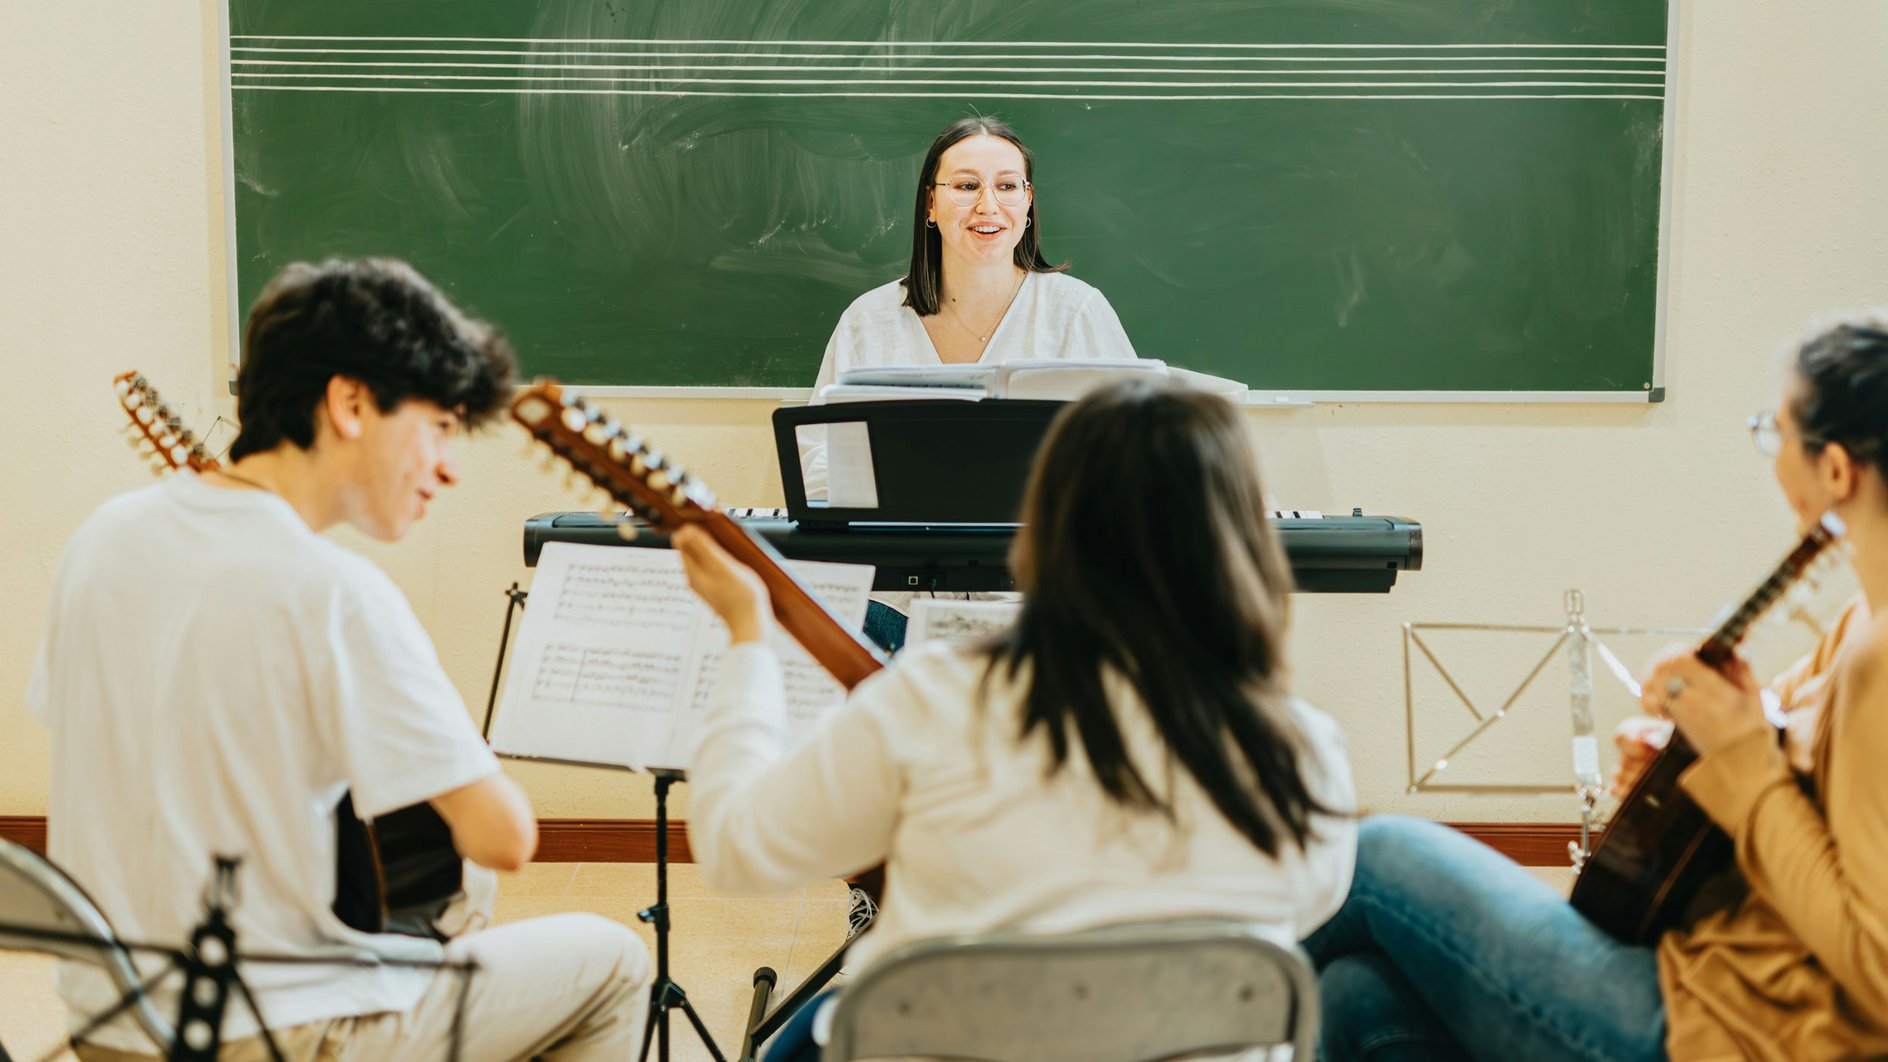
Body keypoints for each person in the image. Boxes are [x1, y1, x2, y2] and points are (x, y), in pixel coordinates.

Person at [29, 258, 650, 1059]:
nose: (450, 467)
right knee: (612, 963)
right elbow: (505, 835)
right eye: (440, 427)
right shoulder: (334, 590)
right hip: (276, 1035)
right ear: (351, 402)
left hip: (111, 1028)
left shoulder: (102, 536)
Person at [674, 379, 1357, 1061]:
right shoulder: (1301, 751)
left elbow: (738, 851)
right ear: (1244, 542)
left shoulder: (931, 698)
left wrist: (748, 637)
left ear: (1048, 521)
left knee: (813, 1034)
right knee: (1361, 990)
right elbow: (1307, 910)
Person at [1306, 314, 1888, 1061]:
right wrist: (1687, 760)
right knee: (1355, 998)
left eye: (1773, 435)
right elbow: (1779, 779)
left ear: (1836, 470)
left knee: (1378, 855)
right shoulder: (1851, 625)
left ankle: (1158, 1000)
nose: (1771, 462)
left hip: (1737, 1033)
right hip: (1709, 980)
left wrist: (1740, 756)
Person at [800, 115, 1140, 508]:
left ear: (1027, 202)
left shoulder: (1076, 312)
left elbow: (1131, 459)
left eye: (1007, 186)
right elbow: (818, 461)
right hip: (899, 552)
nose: (988, 206)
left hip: (1044, 557)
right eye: (966, 186)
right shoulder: (868, 321)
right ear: (931, 204)